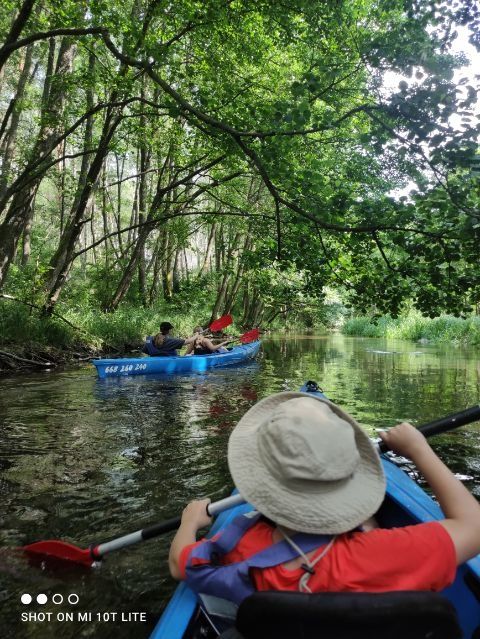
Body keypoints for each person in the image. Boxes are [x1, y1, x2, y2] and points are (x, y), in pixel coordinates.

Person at [168, 392, 480, 605]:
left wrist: (189, 522)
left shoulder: (243, 548)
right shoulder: (386, 554)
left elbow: (180, 565)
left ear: (261, 484)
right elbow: (474, 526)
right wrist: (418, 449)